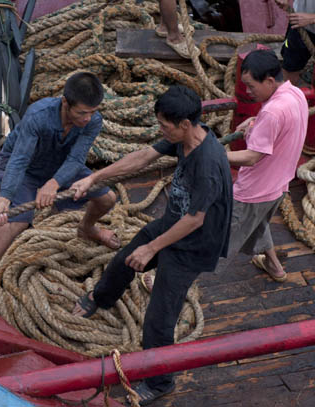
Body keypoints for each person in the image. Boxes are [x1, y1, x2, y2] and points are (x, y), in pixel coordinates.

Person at [70, 85, 233, 405]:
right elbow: (143, 157)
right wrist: (95, 178)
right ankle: (100, 297)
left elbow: (195, 220)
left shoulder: (208, 163)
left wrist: (151, 248)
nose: (161, 130)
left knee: (159, 319)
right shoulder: (182, 139)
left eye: (164, 125)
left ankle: (160, 382)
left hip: (193, 246)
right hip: (173, 224)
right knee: (122, 261)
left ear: (185, 123)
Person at [0, 72, 119, 321]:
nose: (88, 118)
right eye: (82, 113)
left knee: (107, 199)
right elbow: (20, 159)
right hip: (24, 169)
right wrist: (5, 199)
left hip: (59, 167)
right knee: (16, 220)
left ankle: (87, 229)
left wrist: (54, 183)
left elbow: (77, 159)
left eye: (92, 112)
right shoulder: (38, 116)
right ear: (65, 103)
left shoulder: (93, 121)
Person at [216, 49, 308, 281]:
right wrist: (256, 122)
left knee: (218, 240)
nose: (248, 92)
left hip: (253, 191)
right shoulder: (295, 94)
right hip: (277, 187)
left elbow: (252, 157)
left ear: (269, 80)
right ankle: (274, 266)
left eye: (251, 86)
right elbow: (281, 126)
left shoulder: (272, 111)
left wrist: (213, 153)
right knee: (257, 222)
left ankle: (178, 281)